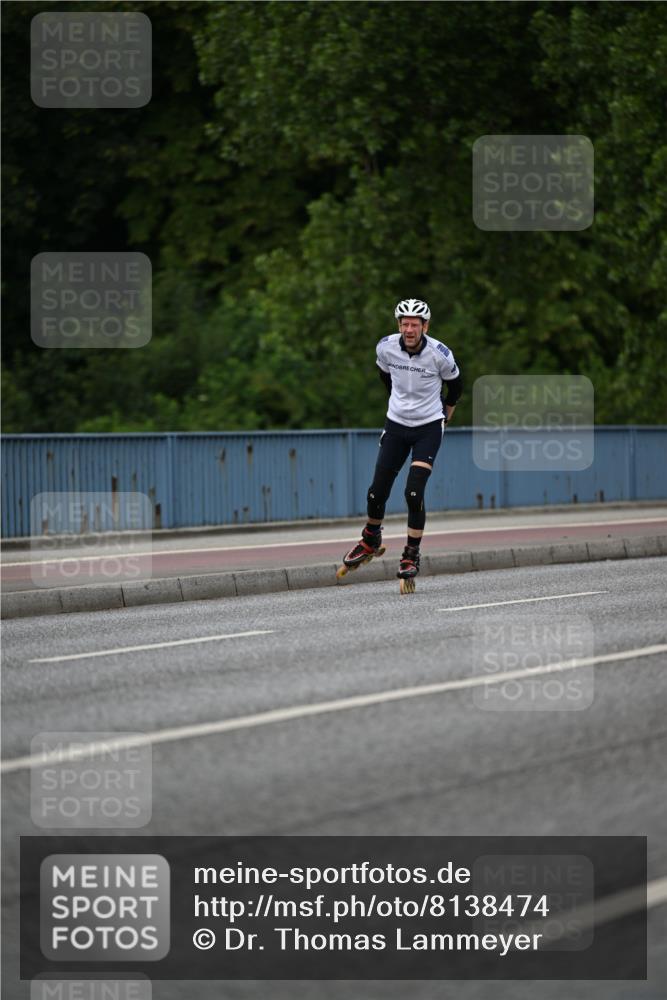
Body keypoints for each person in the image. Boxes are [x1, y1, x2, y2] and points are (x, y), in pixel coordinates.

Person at [341, 297, 462, 582]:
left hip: (428, 428)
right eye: (404, 323)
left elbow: (455, 386)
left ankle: (411, 554)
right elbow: (385, 376)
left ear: (425, 326)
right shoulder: (385, 347)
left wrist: (446, 414)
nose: (409, 329)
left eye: (415, 324)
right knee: (376, 491)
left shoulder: (439, 355)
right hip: (396, 425)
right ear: (399, 325)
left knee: (413, 492)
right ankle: (370, 538)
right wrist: (398, 404)